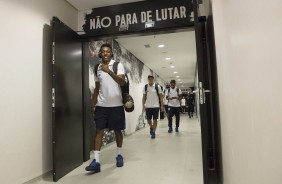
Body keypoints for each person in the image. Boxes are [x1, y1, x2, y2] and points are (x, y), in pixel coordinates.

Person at [86, 43, 126, 173]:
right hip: (101, 106)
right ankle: (96, 161)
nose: (105, 53)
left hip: (116, 105)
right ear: (100, 54)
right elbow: (97, 88)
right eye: (103, 51)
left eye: (107, 51)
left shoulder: (117, 65)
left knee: (118, 131)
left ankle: (119, 155)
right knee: (99, 131)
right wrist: (93, 104)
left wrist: (108, 71)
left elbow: (122, 81)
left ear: (111, 53)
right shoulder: (96, 67)